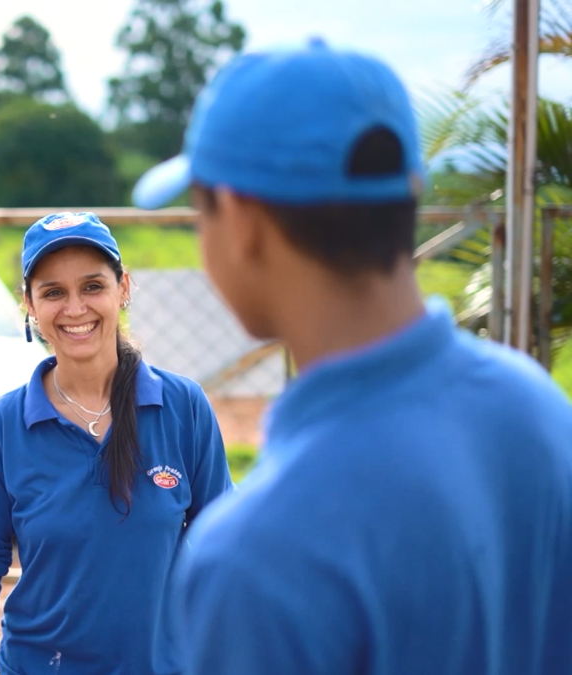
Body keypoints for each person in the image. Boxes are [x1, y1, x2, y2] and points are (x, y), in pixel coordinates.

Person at [132, 37, 572, 675]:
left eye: (199, 211)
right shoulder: (534, 406)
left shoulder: (256, 553)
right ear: (410, 191)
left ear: (241, 218)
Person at [0, 211, 234, 675]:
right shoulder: (1, 426)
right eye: (53, 292)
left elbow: (223, 544)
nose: (75, 308)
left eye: (93, 286)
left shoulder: (182, 407)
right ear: (30, 305)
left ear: (123, 289)